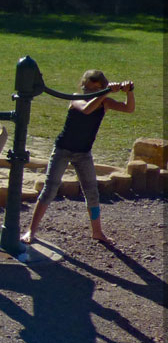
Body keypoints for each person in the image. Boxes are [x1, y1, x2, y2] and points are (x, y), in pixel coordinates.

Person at [22, 70, 135, 245]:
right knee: (49, 190)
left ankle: (97, 232)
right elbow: (87, 110)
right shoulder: (76, 98)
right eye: (87, 89)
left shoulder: (105, 102)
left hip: (84, 153)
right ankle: (31, 230)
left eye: (93, 90)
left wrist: (129, 91)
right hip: (63, 150)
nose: (88, 93)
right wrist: (105, 92)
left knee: (92, 193)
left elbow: (129, 108)